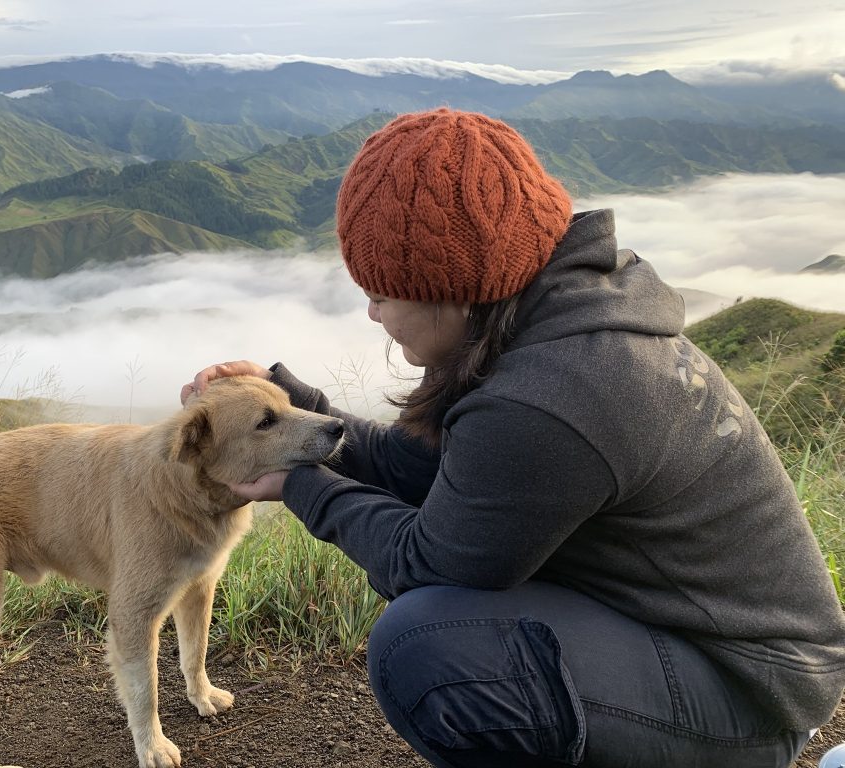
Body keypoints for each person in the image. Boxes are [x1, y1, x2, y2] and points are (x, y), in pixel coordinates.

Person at [181, 108, 845, 767]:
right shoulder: (553, 324)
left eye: (383, 292)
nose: (372, 312)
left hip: (747, 693)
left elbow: (429, 562)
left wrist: (299, 482)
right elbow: (427, 472)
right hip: (694, 641)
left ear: (453, 291)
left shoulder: (555, 394)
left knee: (430, 648)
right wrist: (288, 402)